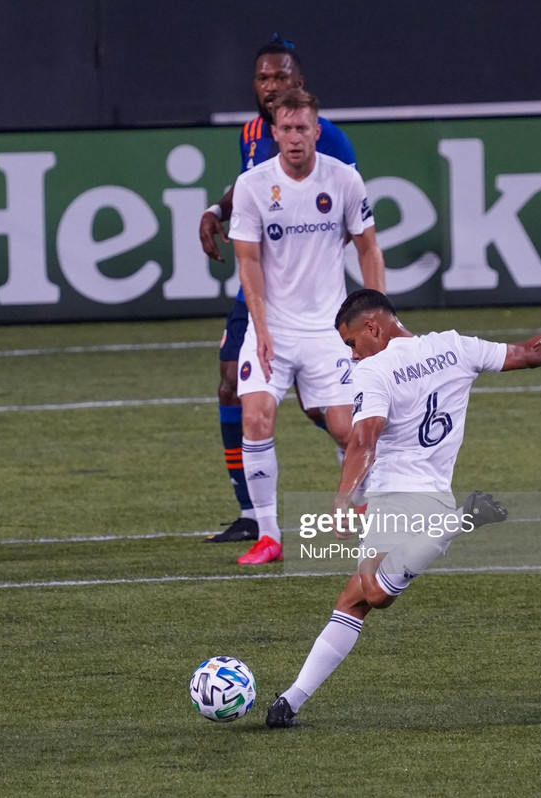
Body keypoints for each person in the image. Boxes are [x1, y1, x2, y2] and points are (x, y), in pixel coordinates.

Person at [264, 289, 541, 727]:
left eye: (351, 343)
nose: (351, 355)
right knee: (354, 601)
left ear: (372, 327)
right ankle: (290, 702)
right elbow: (532, 353)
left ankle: (455, 523)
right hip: (432, 494)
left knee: (373, 593)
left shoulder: (374, 369)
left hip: (394, 495)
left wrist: (343, 499)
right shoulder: (454, 346)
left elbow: (364, 439)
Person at [200, 35, 362, 545]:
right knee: (234, 385)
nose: (271, 86)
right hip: (262, 286)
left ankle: (362, 457)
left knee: (323, 411)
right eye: (263, 78)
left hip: (311, 297)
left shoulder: (329, 140)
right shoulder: (253, 132)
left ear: (300, 85)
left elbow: (350, 211)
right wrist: (217, 210)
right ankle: (253, 515)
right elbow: (252, 181)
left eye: (281, 78)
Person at [227, 88, 386, 565]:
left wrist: (377, 317)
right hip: (271, 326)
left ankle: (368, 510)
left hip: (327, 329)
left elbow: (368, 249)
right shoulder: (254, 185)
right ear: (273, 133)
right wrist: (260, 328)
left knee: (345, 429)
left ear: (317, 131)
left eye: (303, 129)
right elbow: (248, 262)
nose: (295, 138)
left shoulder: (344, 180)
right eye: (286, 129)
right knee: (255, 418)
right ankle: (269, 536)